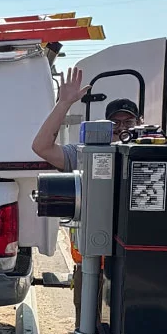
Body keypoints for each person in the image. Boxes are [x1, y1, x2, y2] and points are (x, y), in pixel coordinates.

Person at [31, 65, 142, 315]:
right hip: (94, 264)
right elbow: (41, 146)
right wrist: (64, 103)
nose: (121, 127)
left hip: (138, 265)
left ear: (140, 123)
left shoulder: (149, 158)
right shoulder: (85, 155)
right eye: (115, 122)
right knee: (89, 331)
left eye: (128, 121)